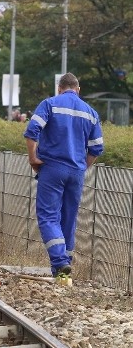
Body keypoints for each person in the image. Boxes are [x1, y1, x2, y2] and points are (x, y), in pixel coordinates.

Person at [24, 72, 103, 280]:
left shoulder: (50, 104)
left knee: (48, 216)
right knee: (69, 218)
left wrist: (33, 158)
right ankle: (63, 274)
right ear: (78, 89)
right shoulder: (91, 113)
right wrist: (81, 167)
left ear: (59, 88)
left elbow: (32, 131)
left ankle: (60, 263)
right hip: (76, 171)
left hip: (52, 168)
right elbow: (96, 148)